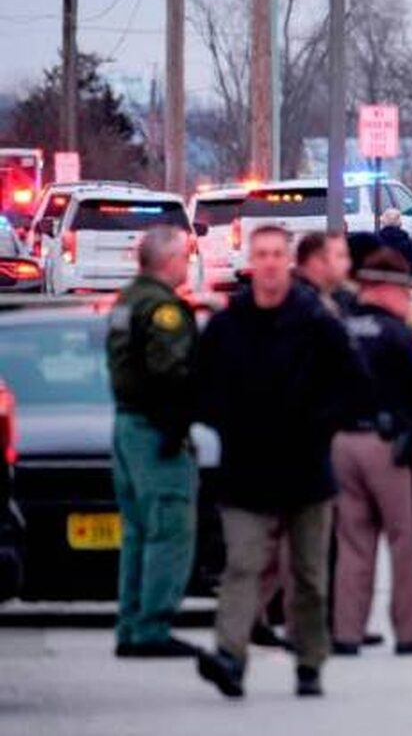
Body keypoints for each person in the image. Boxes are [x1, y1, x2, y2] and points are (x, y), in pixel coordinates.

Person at [194, 225, 369, 699]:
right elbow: (200, 384)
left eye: (277, 254)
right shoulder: (231, 323)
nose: (270, 263)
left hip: (305, 468)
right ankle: (230, 656)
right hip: (246, 468)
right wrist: (226, 421)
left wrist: (321, 423)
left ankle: (309, 662)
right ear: (252, 261)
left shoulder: (314, 319)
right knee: (242, 566)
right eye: (262, 255)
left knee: (309, 576)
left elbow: (353, 381)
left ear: (288, 261)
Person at [331, 248, 412, 656]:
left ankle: (346, 632)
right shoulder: (405, 336)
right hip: (391, 448)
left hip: (341, 445)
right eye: (406, 291)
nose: (410, 299)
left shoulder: (339, 331)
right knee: (407, 541)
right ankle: (408, 633)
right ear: (386, 289)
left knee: (352, 543)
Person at [105, 227, 201, 659]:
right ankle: (152, 626)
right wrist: (179, 425)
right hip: (154, 430)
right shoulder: (163, 310)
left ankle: (130, 622)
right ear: (166, 261)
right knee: (169, 527)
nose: (186, 263)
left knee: (137, 531)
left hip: (126, 425)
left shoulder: (127, 301)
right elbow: (173, 375)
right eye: (182, 256)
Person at [377, 207, 412, 278]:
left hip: (381, 282)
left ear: (383, 223)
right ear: (400, 223)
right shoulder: (408, 242)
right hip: (403, 281)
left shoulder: (376, 241)